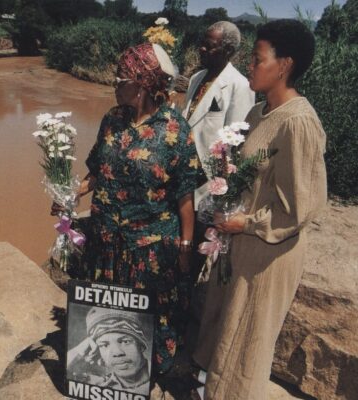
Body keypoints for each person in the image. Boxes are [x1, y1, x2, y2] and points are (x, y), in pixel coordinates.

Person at [191, 20, 327, 400]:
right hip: (241, 245)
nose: (249, 66)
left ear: (283, 65)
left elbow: (300, 209)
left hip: (269, 253)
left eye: (257, 59)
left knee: (248, 339)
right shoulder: (257, 113)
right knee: (226, 330)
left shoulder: (299, 123)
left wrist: (244, 222)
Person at [58, 41, 200, 374]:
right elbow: (97, 171)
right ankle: (107, 380)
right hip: (106, 241)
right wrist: (70, 194)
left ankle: (143, 378)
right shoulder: (112, 119)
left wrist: (185, 247)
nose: (115, 84)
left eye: (121, 78)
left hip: (148, 251)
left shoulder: (175, 131)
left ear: (143, 83)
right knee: (109, 314)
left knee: (145, 322)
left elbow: (185, 196)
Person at [182, 21, 255, 210]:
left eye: (210, 46)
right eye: (202, 43)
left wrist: (224, 186)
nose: (202, 48)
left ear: (228, 50)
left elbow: (236, 142)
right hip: (183, 174)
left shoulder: (240, 85)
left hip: (208, 180)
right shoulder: (196, 79)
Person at [67, 307, 151, 394]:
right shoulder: (97, 386)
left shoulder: (161, 378)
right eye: (104, 345)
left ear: (141, 345)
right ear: (98, 351)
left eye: (126, 341)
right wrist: (79, 350)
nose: (117, 352)